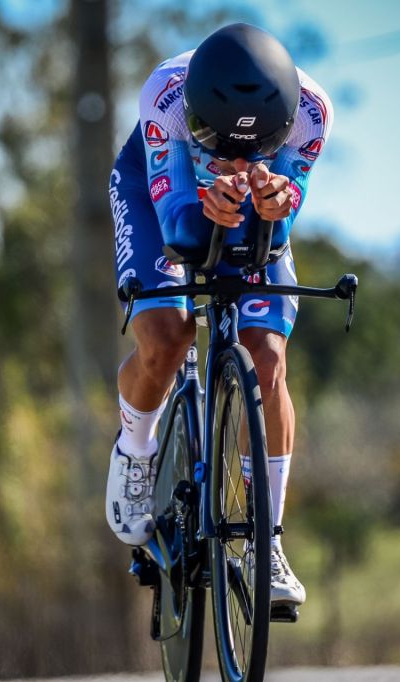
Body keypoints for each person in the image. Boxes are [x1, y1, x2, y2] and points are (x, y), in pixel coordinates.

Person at [106, 23, 333, 606]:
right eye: (216, 139)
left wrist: (276, 203)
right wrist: (207, 206)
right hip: (160, 193)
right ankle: (136, 449)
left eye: (255, 147)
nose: (233, 159)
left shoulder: (312, 112)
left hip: (249, 212)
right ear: (195, 115)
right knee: (168, 336)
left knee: (268, 359)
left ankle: (266, 539)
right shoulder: (165, 94)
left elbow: (280, 224)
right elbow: (180, 227)